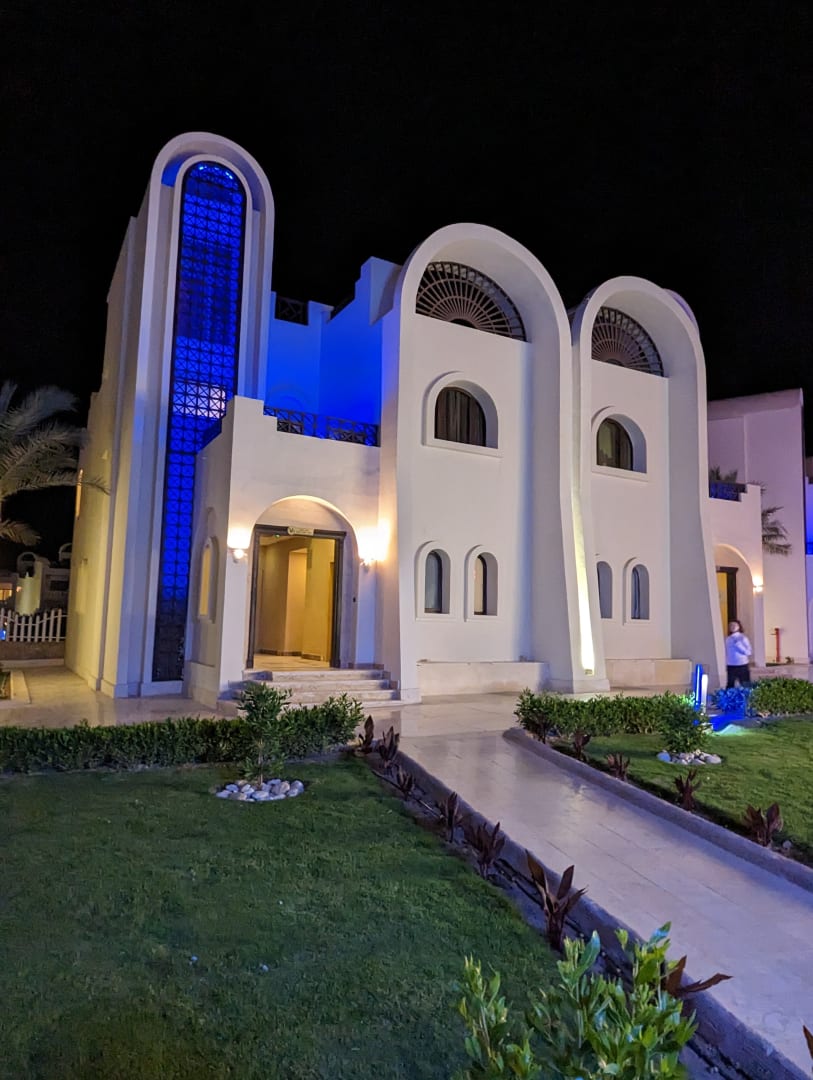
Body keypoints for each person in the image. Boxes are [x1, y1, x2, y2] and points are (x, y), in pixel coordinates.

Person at [725, 620, 752, 689]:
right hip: (731, 665)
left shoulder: (743, 638)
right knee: (730, 685)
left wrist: (739, 645)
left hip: (742, 665)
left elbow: (749, 652)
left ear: (739, 626)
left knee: (745, 685)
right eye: (731, 625)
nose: (732, 627)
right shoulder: (728, 639)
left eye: (735, 625)